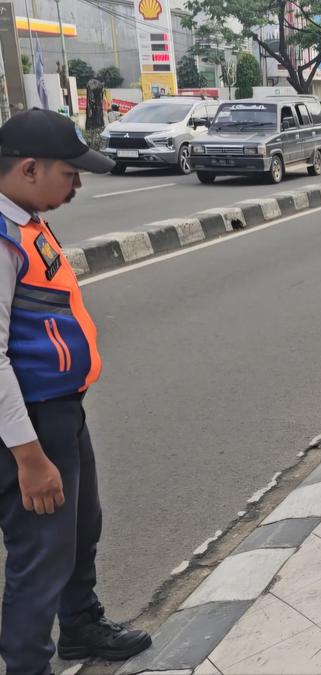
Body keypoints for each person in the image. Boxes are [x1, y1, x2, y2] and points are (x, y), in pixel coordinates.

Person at [0, 109, 152, 673]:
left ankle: (82, 627)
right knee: (39, 556)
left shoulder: (26, 219)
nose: (78, 185)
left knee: (80, 528)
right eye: (71, 173)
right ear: (31, 169)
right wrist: (28, 454)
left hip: (59, 410)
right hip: (29, 422)